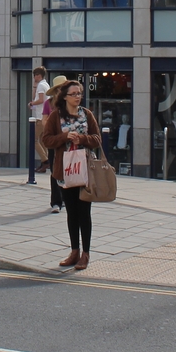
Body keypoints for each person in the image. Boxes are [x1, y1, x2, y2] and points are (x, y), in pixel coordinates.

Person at [42, 80, 101, 270]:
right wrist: (64, 137)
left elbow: (97, 139)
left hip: (85, 169)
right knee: (72, 212)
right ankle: (74, 251)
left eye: (79, 93)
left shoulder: (87, 114)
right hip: (65, 169)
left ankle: (85, 254)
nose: (77, 97)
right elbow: (46, 140)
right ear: (65, 96)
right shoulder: (55, 116)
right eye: (74, 94)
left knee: (85, 212)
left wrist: (82, 138)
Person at [43, 75, 67, 213]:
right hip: (54, 140)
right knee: (54, 170)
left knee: (68, 169)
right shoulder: (49, 104)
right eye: (59, 89)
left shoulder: (69, 103)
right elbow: (44, 121)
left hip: (67, 140)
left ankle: (66, 198)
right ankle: (56, 201)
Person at [29, 66, 50, 173]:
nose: (34, 78)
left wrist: (32, 104)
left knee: (34, 140)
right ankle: (45, 161)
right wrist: (34, 86)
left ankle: (45, 160)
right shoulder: (45, 84)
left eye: (35, 75)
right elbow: (35, 97)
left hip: (40, 117)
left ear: (39, 75)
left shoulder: (41, 86)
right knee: (42, 140)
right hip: (45, 117)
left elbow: (40, 100)